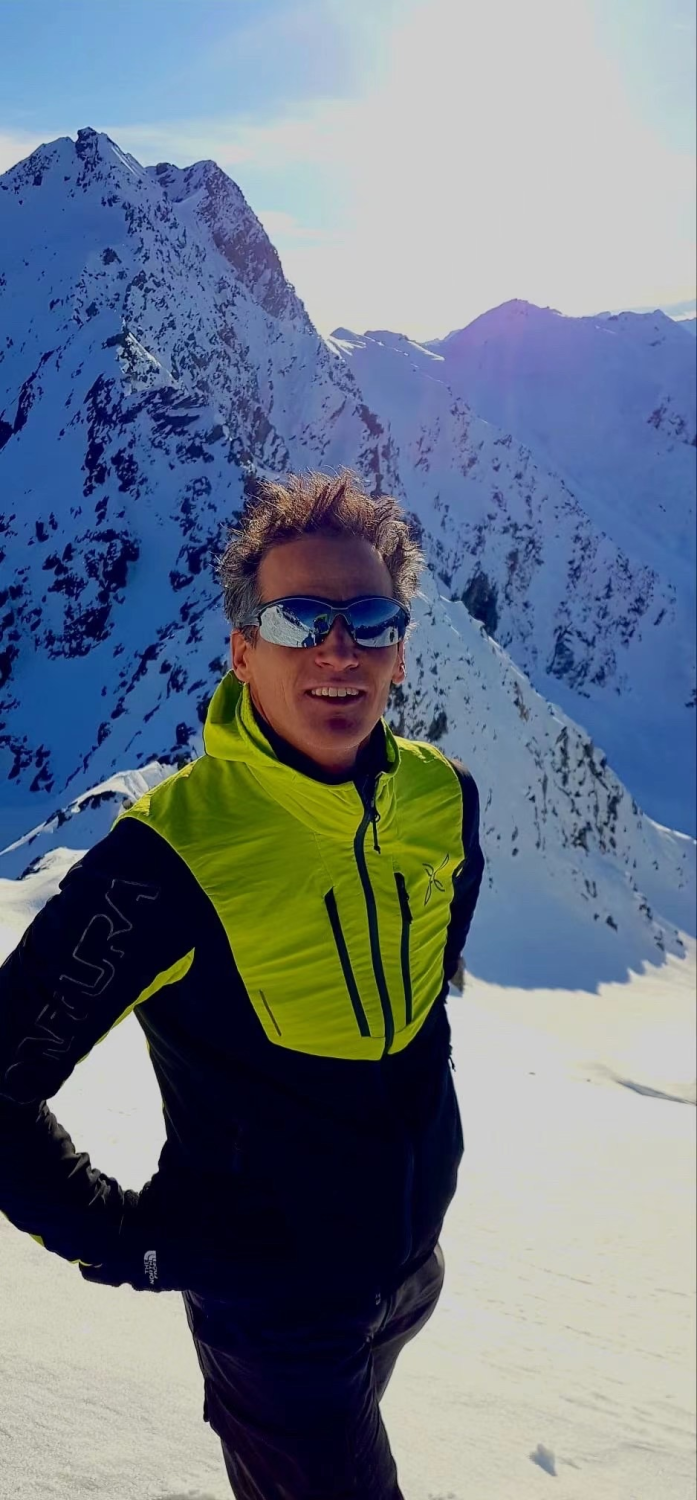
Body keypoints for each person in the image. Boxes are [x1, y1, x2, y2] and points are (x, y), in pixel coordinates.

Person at [0, 470, 484, 1499]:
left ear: (400, 648)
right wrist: (124, 1242)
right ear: (241, 650)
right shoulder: (169, 859)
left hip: (408, 1268)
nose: (338, 650)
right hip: (274, 1322)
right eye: (299, 619)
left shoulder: (442, 798)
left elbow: (428, 998)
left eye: (369, 620)